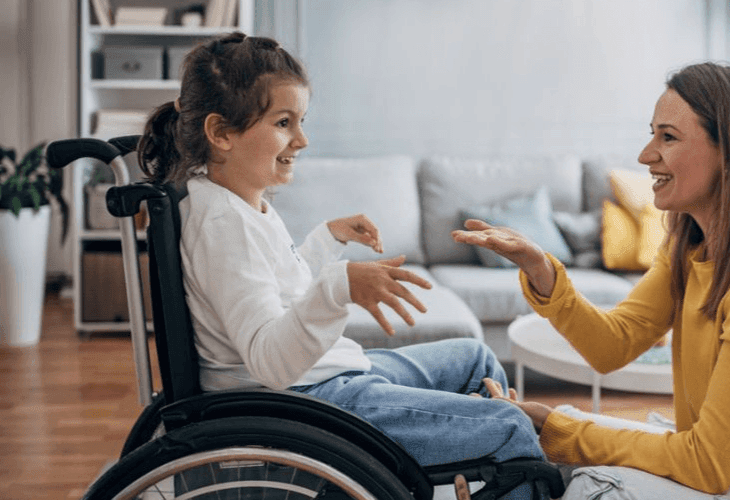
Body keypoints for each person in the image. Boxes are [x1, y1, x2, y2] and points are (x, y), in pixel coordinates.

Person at [453, 62, 730, 500]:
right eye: (653, 134)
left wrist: (556, 431)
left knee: (596, 484)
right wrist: (541, 271)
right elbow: (612, 346)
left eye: (668, 137)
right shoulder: (691, 245)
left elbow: (706, 464)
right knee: (552, 438)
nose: (646, 155)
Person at [136, 32, 544, 499]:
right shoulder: (224, 224)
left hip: (325, 377)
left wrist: (325, 241)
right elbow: (270, 362)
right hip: (304, 401)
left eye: (301, 121)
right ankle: (497, 464)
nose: (303, 140)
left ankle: (472, 466)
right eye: (284, 122)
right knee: (511, 426)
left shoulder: (238, 203)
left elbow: (278, 294)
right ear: (221, 133)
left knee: (476, 358)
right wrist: (339, 287)